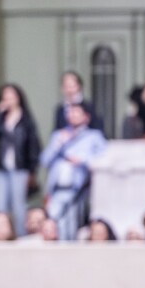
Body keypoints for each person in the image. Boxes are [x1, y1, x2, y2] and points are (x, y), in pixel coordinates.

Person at [40, 102, 106, 241]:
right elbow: (44, 160)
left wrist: (82, 160)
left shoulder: (94, 136)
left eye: (77, 112)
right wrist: (58, 144)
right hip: (57, 189)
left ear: (86, 117)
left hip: (79, 190)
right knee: (55, 223)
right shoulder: (59, 135)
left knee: (74, 225)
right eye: (70, 112)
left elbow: (103, 161)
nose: (73, 115)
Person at [0, 83, 42, 237]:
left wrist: (32, 171)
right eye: (5, 96)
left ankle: (20, 236)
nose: (8, 99)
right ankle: (0, 236)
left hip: (20, 168)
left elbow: (34, 145)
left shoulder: (26, 120)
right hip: (2, 168)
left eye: (11, 96)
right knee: (0, 204)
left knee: (19, 206)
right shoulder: (2, 118)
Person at [53, 71, 106, 135]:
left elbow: (97, 128)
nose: (69, 90)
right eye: (66, 86)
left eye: (72, 86)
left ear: (79, 86)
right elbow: (56, 130)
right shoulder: (60, 109)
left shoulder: (89, 107)